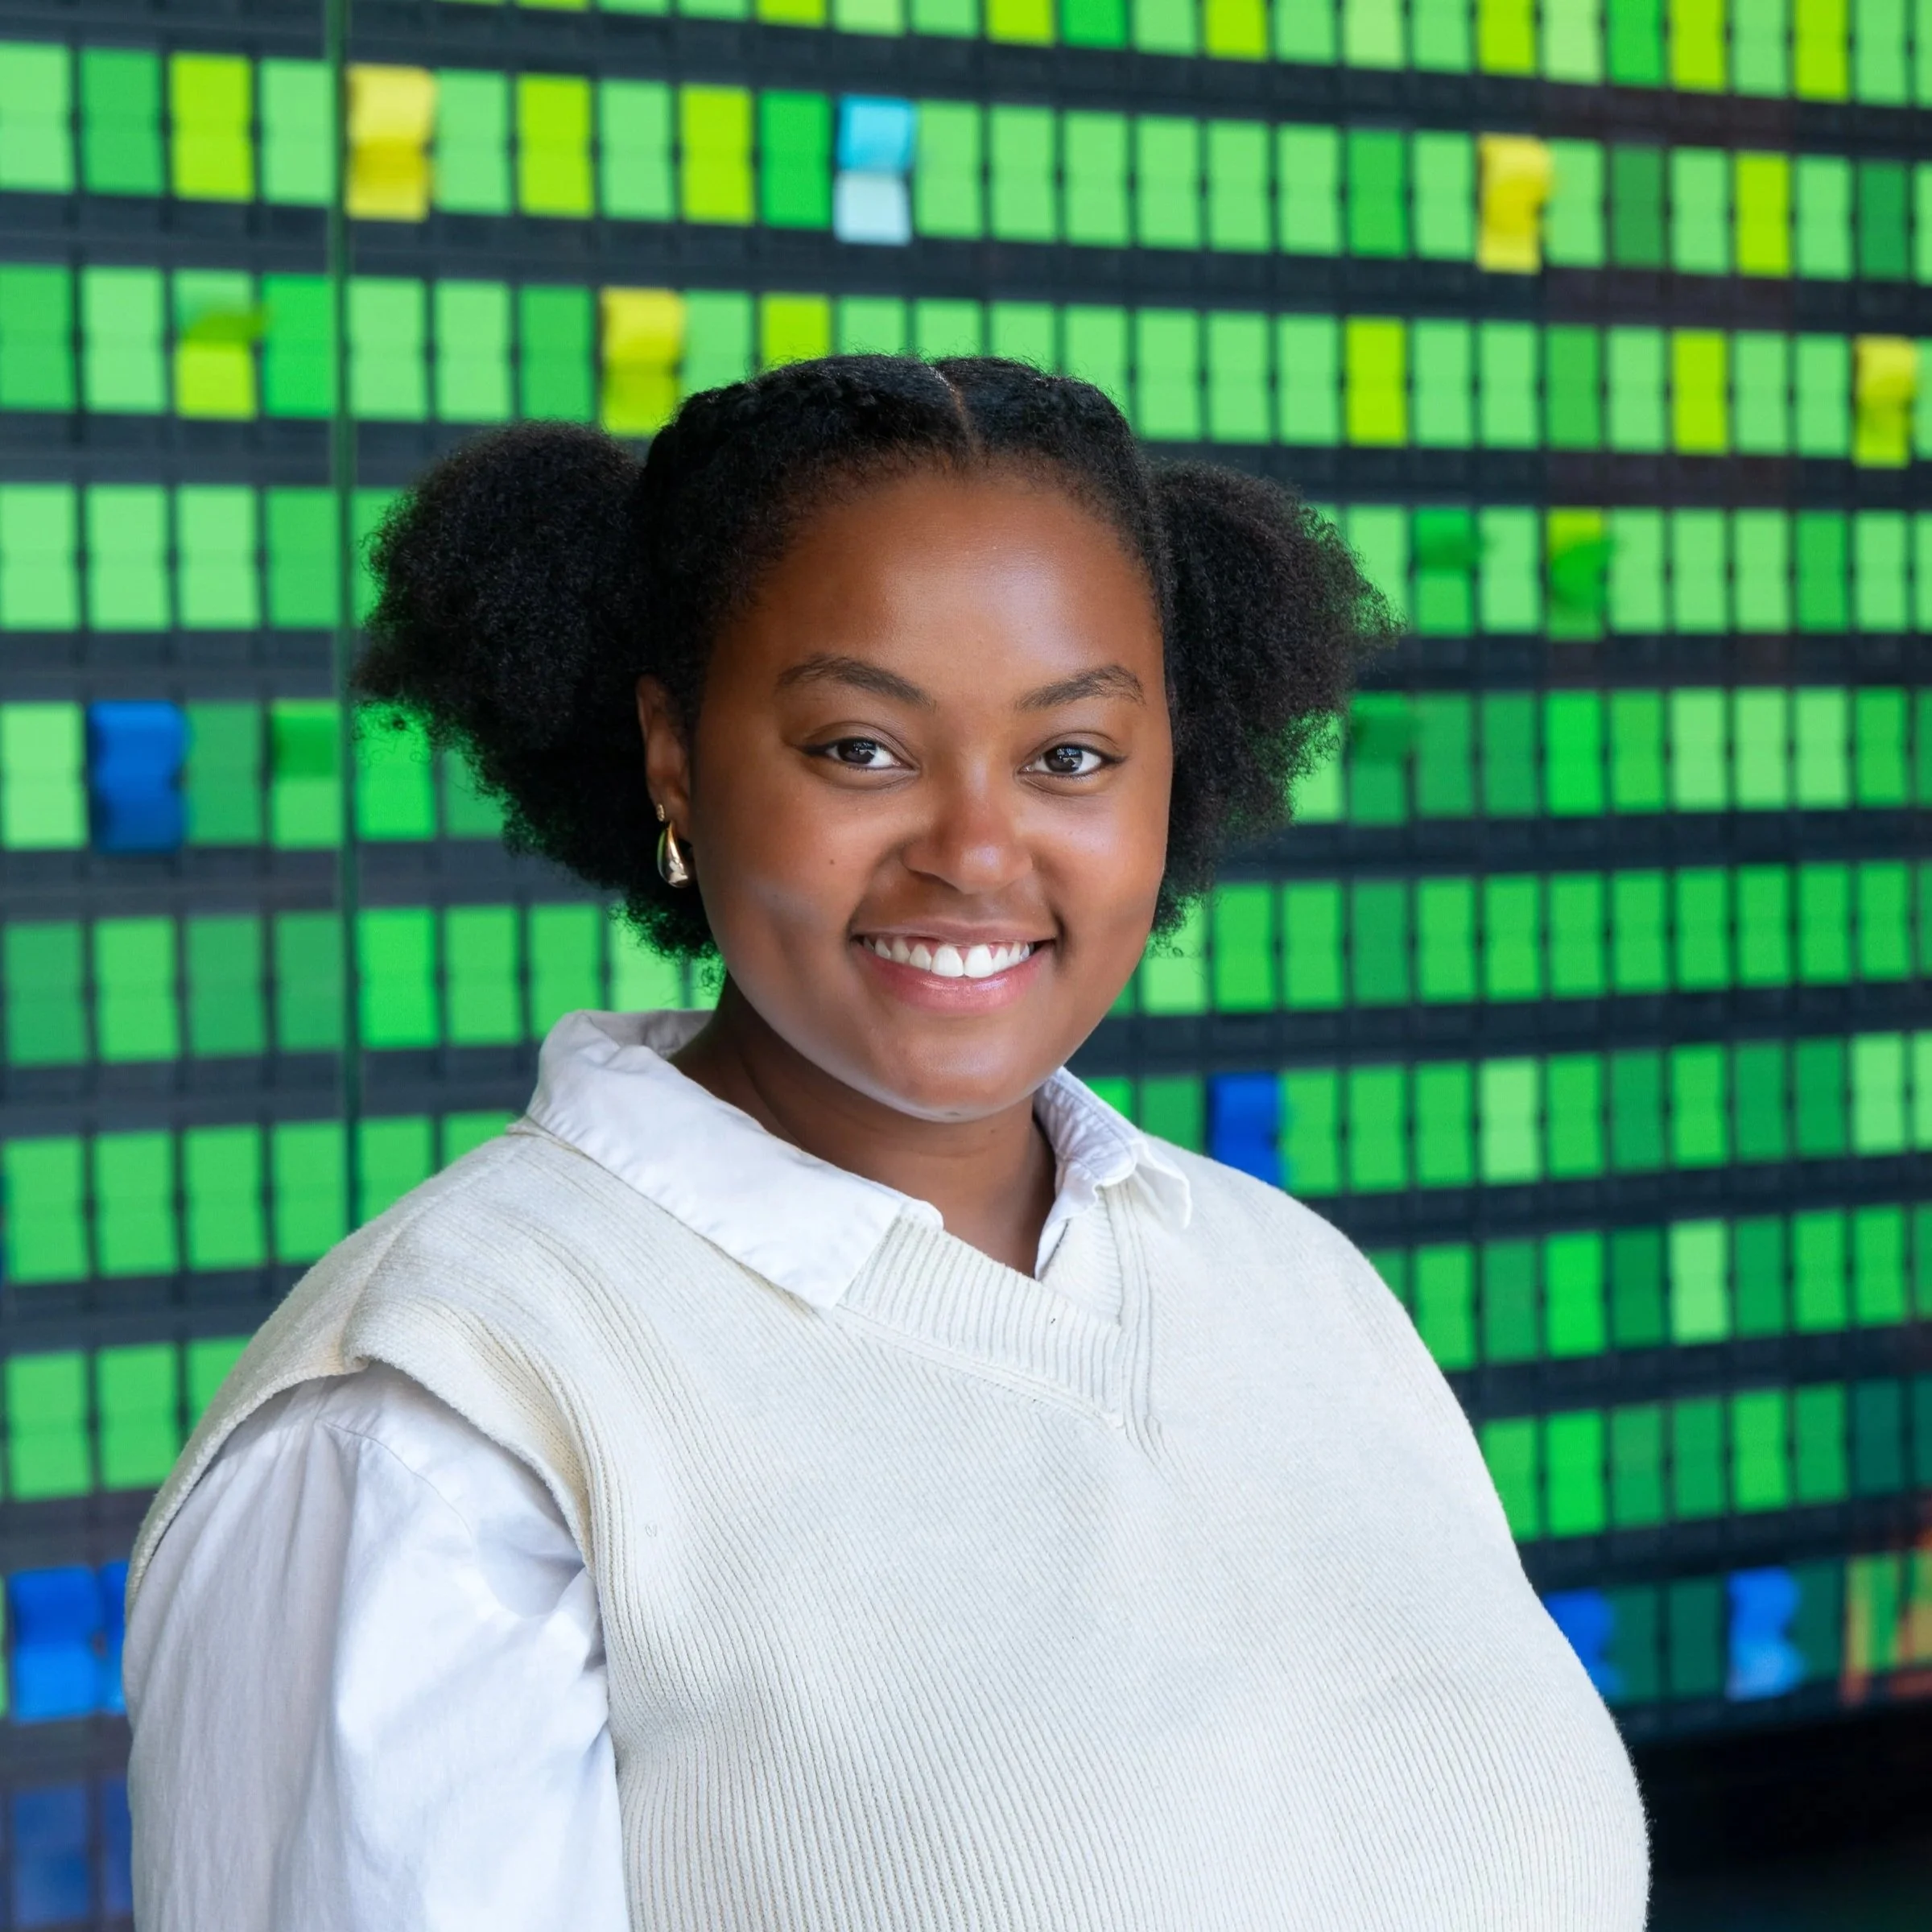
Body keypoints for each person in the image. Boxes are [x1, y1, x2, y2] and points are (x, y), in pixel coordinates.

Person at [124, 354, 1649, 1930]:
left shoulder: (1297, 1292)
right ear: (674, 760)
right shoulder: (444, 1416)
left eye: (1070, 757)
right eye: (860, 747)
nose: (978, 851)